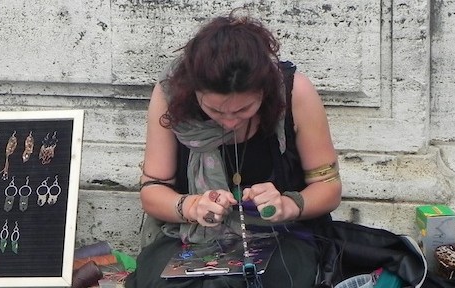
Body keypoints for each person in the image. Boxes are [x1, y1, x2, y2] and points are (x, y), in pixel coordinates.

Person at [125, 10, 343, 288]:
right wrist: (191, 206)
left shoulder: (293, 92)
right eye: (214, 109)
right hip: (189, 234)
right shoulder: (171, 94)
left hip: (280, 235)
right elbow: (153, 192)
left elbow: (328, 188)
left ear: (264, 92)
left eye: (243, 109)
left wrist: (288, 205)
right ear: (193, 92)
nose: (229, 121)